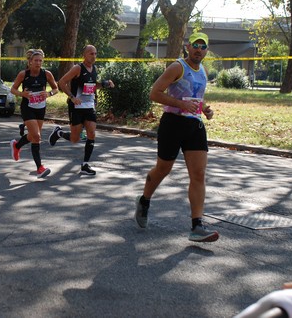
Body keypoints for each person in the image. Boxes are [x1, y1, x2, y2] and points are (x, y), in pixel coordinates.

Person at [134, 32, 218, 242]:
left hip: (195, 126)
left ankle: (196, 226)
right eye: (196, 45)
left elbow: (196, 96)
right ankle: (144, 200)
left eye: (203, 46)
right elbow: (154, 93)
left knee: (198, 174)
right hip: (173, 124)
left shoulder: (203, 71)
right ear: (188, 47)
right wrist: (181, 104)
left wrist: (205, 109)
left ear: (206, 50)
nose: (199, 49)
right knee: (163, 169)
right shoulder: (177, 67)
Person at [48, 44, 114, 176]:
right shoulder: (78, 68)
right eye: (91, 53)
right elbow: (61, 82)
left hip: (89, 107)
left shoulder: (94, 68)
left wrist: (105, 84)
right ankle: (59, 133)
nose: (94, 56)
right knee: (74, 139)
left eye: (95, 53)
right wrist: (72, 97)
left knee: (92, 134)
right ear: (84, 55)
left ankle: (85, 165)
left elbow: (92, 87)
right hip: (76, 107)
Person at [9, 49, 59, 178]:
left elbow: (56, 88)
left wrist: (49, 93)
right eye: (35, 60)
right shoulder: (23, 74)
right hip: (28, 107)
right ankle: (40, 168)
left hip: (40, 107)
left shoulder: (46, 74)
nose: (38, 63)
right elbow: (12, 89)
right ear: (30, 62)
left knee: (32, 136)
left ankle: (17, 145)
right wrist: (22, 94)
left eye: (40, 61)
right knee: (37, 136)